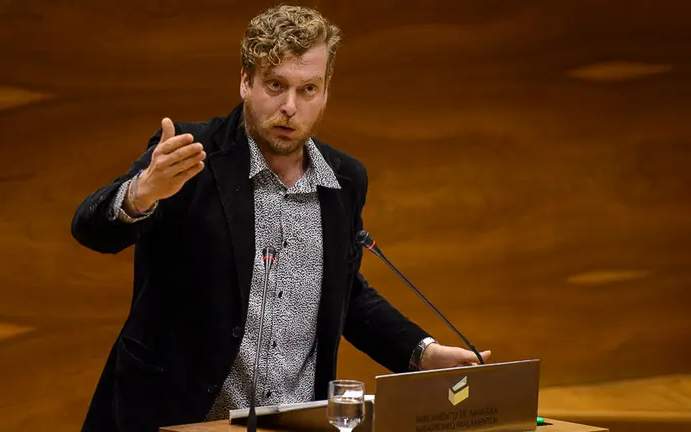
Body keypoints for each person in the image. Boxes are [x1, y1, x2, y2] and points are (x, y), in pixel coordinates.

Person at [71, 4, 490, 431]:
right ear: (245, 81)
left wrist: (421, 352)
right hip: (180, 421)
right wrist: (142, 193)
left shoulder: (344, 180)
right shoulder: (190, 154)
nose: (290, 106)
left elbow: (345, 295)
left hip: (294, 424)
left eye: (308, 89)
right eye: (276, 85)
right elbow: (90, 229)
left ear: (325, 92)